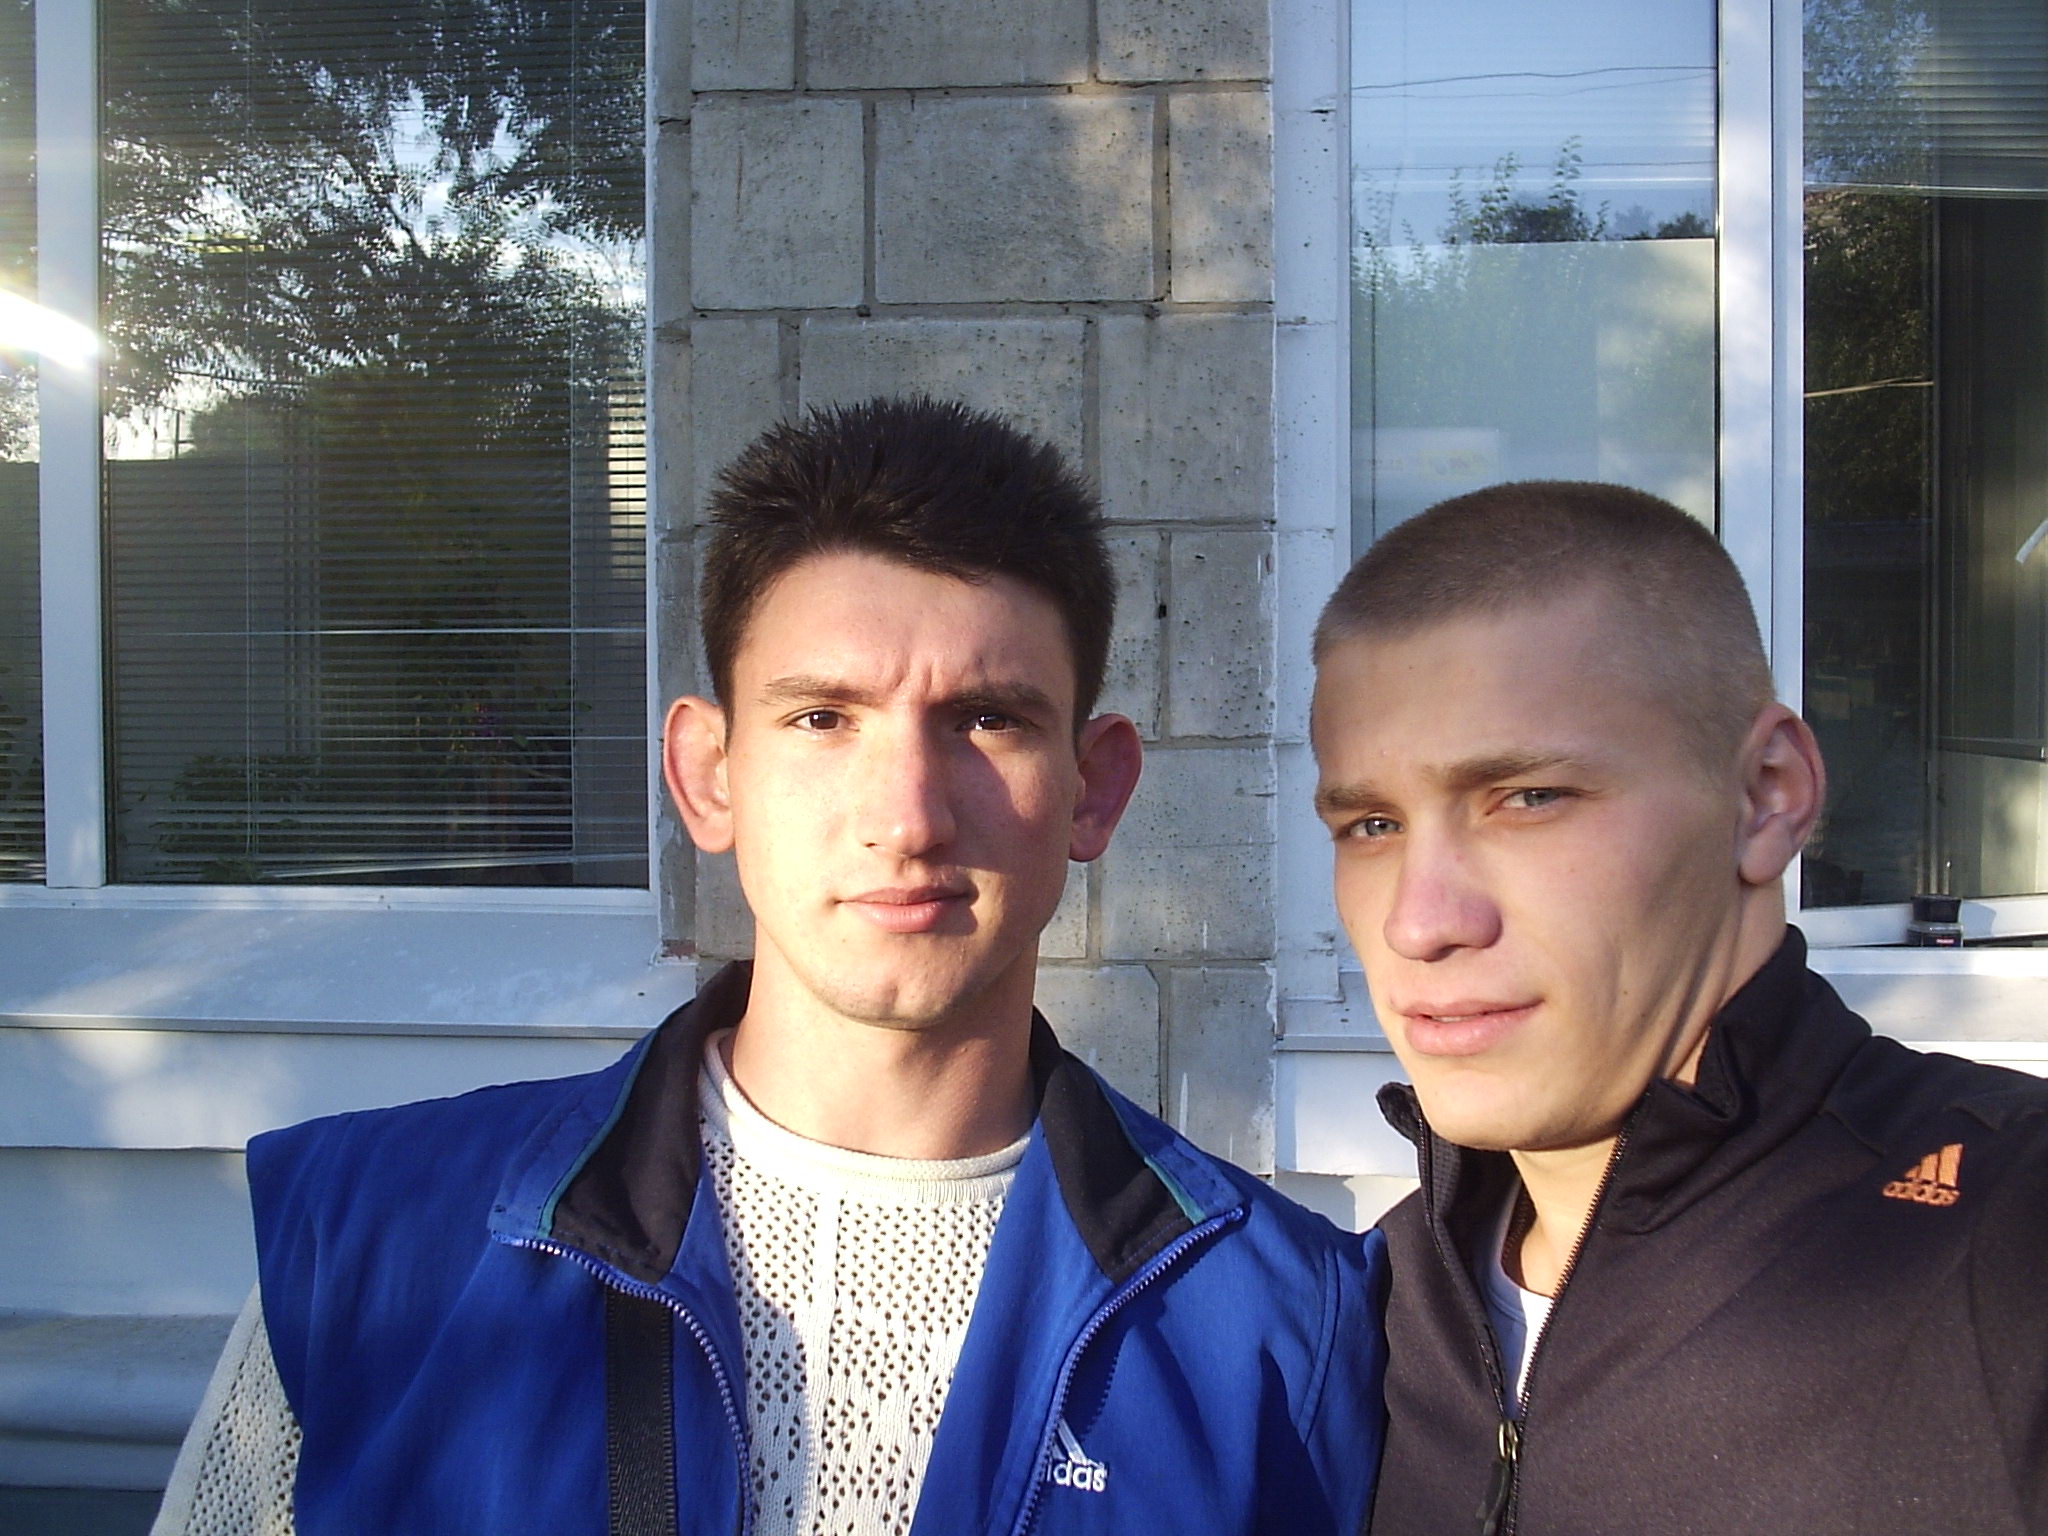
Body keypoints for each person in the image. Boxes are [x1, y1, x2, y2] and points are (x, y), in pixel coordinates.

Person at [153, 396, 1384, 1536]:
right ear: (708, 775)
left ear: (1092, 787)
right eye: (820, 718)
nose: (905, 817)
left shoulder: (1286, 1329)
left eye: (986, 719)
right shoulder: (369, 1243)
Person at [1309, 480, 2048, 1536]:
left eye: (1529, 798)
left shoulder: (2008, 1243)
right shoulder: (1360, 1318)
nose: (1419, 923)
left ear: (1766, 796)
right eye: (1371, 826)